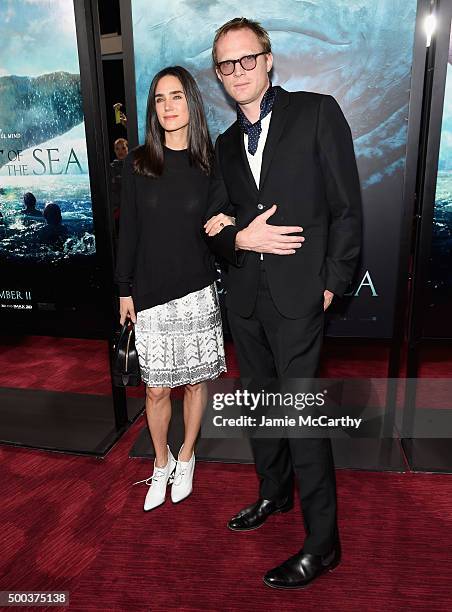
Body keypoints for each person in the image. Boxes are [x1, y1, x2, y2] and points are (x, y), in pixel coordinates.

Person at [204, 18, 362, 589]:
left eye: (248, 60)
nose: (238, 72)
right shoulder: (223, 145)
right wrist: (239, 238)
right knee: (261, 410)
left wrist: (333, 282)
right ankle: (274, 494)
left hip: (301, 296)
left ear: (269, 60)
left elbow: (347, 206)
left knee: (298, 416)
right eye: (227, 65)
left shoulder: (318, 112)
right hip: (246, 298)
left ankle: (324, 544)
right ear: (219, 76)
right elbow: (214, 221)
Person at [115, 66, 227, 512]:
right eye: (159, 99)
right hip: (151, 293)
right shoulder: (138, 163)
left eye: (176, 97)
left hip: (197, 288)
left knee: (196, 384)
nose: (168, 106)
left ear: (192, 102)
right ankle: (160, 462)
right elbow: (130, 234)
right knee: (157, 389)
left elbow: (223, 218)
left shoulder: (210, 163)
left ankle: (187, 457)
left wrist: (230, 221)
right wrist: (124, 289)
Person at [110, 138, 129, 235]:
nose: (120, 151)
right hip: (116, 212)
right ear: (114, 151)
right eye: (117, 149)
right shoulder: (110, 168)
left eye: (123, 148)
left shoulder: (134, 166)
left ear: (128, 149)